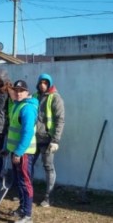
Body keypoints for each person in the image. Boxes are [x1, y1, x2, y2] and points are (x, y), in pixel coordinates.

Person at [0, 80, 39, 223]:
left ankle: (27, 215)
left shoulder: (27, 108)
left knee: (25, 182)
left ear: (27, 92)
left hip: (24, 153)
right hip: (16, 151)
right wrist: (8, 149)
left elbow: (27, 133)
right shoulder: (17, 105)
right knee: (19, 182)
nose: (18, 93)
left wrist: (19, 152)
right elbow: (14, 131)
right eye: (16, 90)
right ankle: (22, 208)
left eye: (21, 91)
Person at [33, 73, 65, 207]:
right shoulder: (34, 97)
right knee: (28, 165)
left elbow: (60, 120)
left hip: (48, 139)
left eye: (45, 83)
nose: (42, 85)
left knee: (48, 167)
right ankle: (27, 192)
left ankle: (49, 197)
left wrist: (55, 140)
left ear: (49, 84)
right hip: (34, 138)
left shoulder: (55, 98)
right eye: (41, 82)